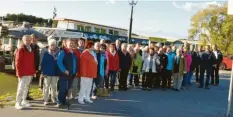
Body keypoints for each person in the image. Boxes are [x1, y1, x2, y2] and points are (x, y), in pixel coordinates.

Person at [15, 35, 36, 110]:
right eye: (26, 40)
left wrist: (33, 71)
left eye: (29, 40)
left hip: (29, 72)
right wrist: (19, 73)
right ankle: (18, 102)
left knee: (26, 87)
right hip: (23, 73)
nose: (28, 42)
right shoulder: (21, 49)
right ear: (23, 41)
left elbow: (32, 62)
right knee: (21, 88)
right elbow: (17, 62)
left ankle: (24, 100)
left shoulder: (31, 49)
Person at [57, 39, 77, 107]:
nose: (71, 44)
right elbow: (59, 62)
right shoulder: (63, 52)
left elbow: (74, 63)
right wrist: (64, 70)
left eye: (72, 43)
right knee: (62, 88)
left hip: (71, 74)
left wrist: (75, 72)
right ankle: (59, 101)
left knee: (67, 88)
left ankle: (64, 101)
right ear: (66, 44)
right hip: (64, 74)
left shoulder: (73, 53)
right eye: (70, 43)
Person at [41, 39, 59, 105]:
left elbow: (58, 64)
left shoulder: (58, 53)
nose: (53, 46)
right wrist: (43, 72)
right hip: (47, 73)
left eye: (54, 45)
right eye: (51, 45)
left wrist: (58, 73)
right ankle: (46, 99)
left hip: (55, 73)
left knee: (54, 87)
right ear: (49, 45)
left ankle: (53, 98)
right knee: (46, 87)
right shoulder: (46, 53)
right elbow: (43, 64)